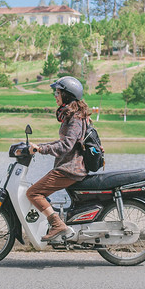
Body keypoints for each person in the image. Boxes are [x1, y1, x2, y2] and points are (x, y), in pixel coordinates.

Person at [27, 76, 91, 241]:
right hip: (68, 167)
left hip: (70, 169)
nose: (55, 96)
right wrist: (41, 146)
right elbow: (64, 142)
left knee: (33, 192)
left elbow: (66, 146)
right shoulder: (73, 115)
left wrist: (42, 149)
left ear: (67, 95)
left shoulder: (75, 118)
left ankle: (57, 224)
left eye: (58, 92)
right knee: (41, 192)